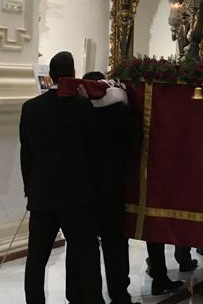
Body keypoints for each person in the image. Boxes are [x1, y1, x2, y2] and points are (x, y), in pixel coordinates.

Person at [19, 51, 101, 304]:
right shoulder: (82, 107)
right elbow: (92, 149)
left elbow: (26, 153)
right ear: (73, 73)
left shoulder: (30, 108)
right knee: (86, 254)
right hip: (76, 195)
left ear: (50, 75)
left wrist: (30, 188)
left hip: (42, 194)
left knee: (36, 259)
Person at [65, 72, 141, 304]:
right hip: (112, 186)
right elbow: (137, 139)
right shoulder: (120, 112)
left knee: (78, 244)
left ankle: (76, 294)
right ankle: (119, 293)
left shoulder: (77, 112)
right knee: (115, 243)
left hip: (82, 186)